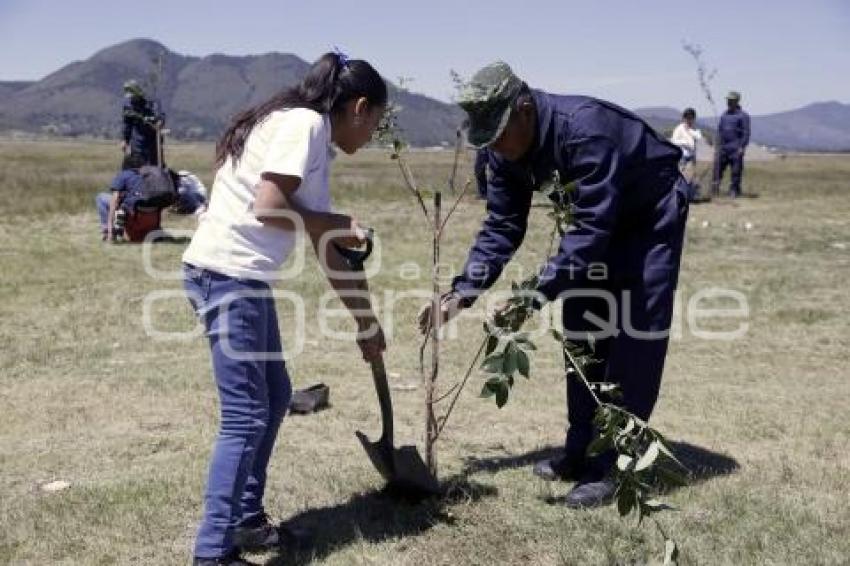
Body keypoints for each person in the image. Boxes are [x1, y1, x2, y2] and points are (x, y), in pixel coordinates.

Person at [418, 62, 689, 509]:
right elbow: (503, 224)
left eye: (502, 135)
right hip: (594, 223)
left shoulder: (586, 131)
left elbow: (591, 230)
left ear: (525, 109)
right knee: (583, 327)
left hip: (648, 218)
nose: (498, 149)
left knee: (634, 336)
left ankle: (617, 466)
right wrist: (462, 293)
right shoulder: (500, 149)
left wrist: (532, 295)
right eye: (489, 141)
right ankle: (580, 449)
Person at [181, 51, 388, 566]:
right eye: (377, 123)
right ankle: (213, 554)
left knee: (272, 399)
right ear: (359, 107)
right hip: (230, 278)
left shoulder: (301, 129)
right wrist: (336, 221)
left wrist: (366, 322)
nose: (373, 136)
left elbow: (326, 248)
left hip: (237, 279)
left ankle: (247, 521)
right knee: (245, 416)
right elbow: (270, 207)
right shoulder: (304, 125)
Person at [95, 153, 145, 241]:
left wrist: (110, 228)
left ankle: (106, 229)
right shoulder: (145, 175)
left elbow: (115, 199)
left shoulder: (124, 175)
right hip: (142, 206)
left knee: (100, 197)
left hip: (128, 207)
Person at [713, 91, 750, 198]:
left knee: (736, 171)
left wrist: (742, 147)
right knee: (717, 169)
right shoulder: (724, 115)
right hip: (723, 148)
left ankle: (734, 191)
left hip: (736, 148)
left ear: (737, 101)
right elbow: (720, 131)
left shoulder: (743, 116)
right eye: (728, 100)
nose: (729, 102)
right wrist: (717, 145)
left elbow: (746, 133)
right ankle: (714, 189)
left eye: (731, 100)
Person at [121, 79, 163, 165]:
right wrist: (125, 140)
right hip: (137, 142)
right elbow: (127, 124)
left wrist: (160, 122)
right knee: (138, 166)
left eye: (134, 96)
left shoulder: (151, 103)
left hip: (153, 140)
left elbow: (160, 116)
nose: (132, 99)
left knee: (155, 165)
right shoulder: (128, 106)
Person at [669, 107, 703, 201]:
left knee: (691, 176)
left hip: (692, 156)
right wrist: (684, 143)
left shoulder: (695, 129)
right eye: (687, 117)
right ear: (684, 118)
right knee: (681, 175)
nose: (689, 119)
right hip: (682, 155)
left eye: (691, 117)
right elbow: (674, 141)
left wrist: (690, 131)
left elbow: (699, 137)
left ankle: (690, 196)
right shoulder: (679, 128)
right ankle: (679, 195)